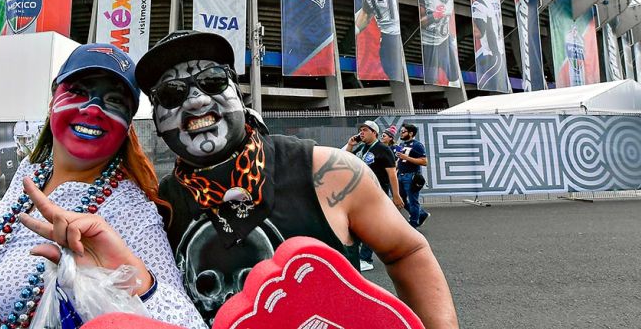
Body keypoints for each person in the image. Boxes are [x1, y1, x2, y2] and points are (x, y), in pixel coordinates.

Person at [133, 31, 458, 328]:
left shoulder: (327, 171)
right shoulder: (157, 208)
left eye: (213, 81)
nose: (196, 100)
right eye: (172, 93)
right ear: (156, 118)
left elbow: (406, 251)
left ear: (238, 91)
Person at [0, 44, 206, 329]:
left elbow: (187, 323)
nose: (93, 108)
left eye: (114, 101)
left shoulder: (132, 212)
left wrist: (137, 281)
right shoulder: (32, 170)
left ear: (127, 125)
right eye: (78, 91)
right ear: (53, 100)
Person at [344, 120, 403, 272]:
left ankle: (366, 258)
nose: (361, 133)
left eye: (365, 130)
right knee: (356, 225)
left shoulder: (383, 149)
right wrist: (351, 145)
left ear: (374, 132)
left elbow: (392, 174)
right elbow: (345, 159)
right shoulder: (362, 148)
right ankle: (357, 256)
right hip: (360, 193)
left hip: (376, 193)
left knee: (369, 226)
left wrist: (396, 195)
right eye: (360, 130)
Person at [416, 0, 460, 87]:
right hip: (429, 42)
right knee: (431, 81)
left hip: (445, 40)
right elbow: (421, 21)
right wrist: (433, 16)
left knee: (455, 76)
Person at [471, 0, 508, 91]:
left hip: (491, 54)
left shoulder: (479, 3)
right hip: (500, 53)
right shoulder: (496, 2)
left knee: (485, 87)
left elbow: (479, 33)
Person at [396, 123, 430, 228]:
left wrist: (407, 158)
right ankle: (421, 214)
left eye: (403, 131)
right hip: (400, 175)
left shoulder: (417, 145)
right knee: (400, 199)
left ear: (410, 133)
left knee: (413, 201)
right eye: (401, 131)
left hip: (411, 176)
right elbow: (400, 159)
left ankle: (413, 224)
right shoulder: (401, 144)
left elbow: (424, 162)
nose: (401, 133)